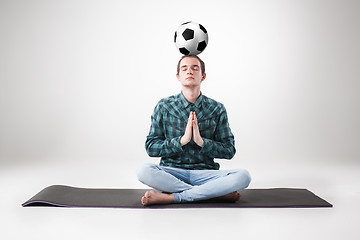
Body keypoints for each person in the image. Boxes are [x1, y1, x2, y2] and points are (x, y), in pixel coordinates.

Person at [136, 55, 251, 206]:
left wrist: (202, 142)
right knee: (143, 170)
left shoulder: (216, 109)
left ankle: (173, 197)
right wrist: (181, 141)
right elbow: (151, 147)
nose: (189, 71)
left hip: (206, 174)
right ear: (178, 76)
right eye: (184, 68)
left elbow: (229, 150)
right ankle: (211, 194)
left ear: (203, 76)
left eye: (194, 68)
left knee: (243, 176)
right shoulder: (163, 106)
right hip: (171, 173)